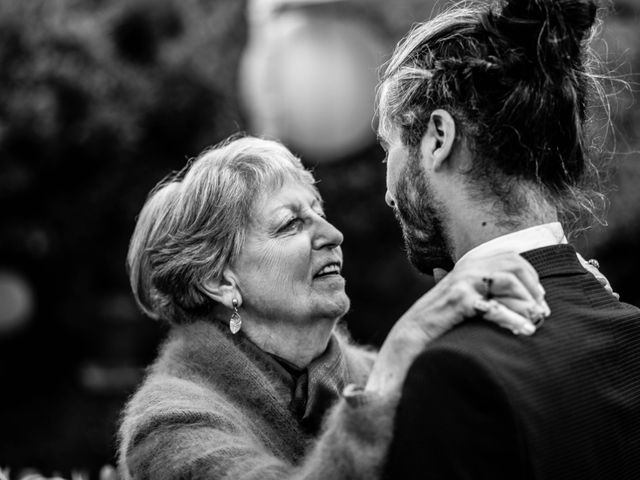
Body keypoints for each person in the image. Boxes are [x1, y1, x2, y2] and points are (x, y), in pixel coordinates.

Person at [116, 135, 550, 480]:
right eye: (291, 224)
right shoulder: (169, 423)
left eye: (318, 211)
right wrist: (402, 351)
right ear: (219, 280)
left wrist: (556, 294)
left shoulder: (373, 374)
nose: (332, 234)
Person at [377, 0, 640, 478]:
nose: (388, 191)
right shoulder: (629, 328)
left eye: (388, 146)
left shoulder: (453, 373)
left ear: (438, 137)